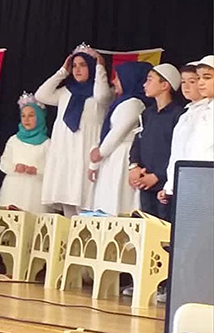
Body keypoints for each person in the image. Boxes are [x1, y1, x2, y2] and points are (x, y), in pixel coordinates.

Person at [35, 43, 112, 217]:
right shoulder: (65, 92)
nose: (77, 69)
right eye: (74, 66)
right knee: (67, 201)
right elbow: (41, 95)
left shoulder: (102, 92)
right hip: (65, 152)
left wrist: (100, 67)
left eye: (83, 65)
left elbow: (102, 96)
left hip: (86, 151)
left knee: (85, 203)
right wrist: (63, 71)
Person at [88, 62, 151, 215]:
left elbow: (117, 133)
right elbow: (106, 131)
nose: (114, 81)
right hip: (112, 156)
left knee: (119, 198)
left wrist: (100, 153)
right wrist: (95, 157)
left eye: (117, 78)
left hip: (123, 156)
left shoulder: (134, 103)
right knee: (107, 197)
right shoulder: (120, 102)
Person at [128, 64, 183, 221]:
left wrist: (158, 175)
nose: (145, 84)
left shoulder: (178, 115)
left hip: (165, 186)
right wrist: (134, 166)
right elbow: (137, 141)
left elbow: (178, 150)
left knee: (164, 227)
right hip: (146, 183)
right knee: (147, 225)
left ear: (165, 85)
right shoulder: (147, 113)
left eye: (150, 80)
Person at [159, 59, 210, 200]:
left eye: (192, 81)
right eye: (183, 82)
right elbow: (177, 153)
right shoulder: (186, 114)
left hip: (201, 183)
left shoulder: (207, 112)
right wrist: (170, 185)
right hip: (184, 183)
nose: (186, 87)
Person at [0, 92, 51, 213]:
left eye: (31, 115)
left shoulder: (47, 143)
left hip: (35, 189)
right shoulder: (14, 140)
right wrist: (15, 167)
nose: (26, 119)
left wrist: (36, 170)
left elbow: (52, 169)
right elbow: (3, 163)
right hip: (12, 188)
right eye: (23, 116)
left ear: (39, 117)